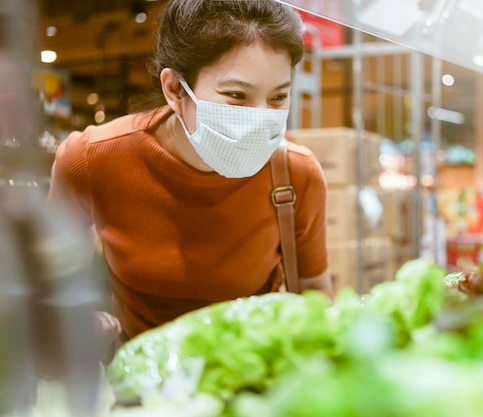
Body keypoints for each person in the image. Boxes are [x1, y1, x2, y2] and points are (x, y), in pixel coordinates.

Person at [48, 0, 333, 343]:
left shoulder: (295, 174)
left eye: (278, 97)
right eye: (237, 95)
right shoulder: (91, 159)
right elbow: (50, 277)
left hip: (252, 376)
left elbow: (315, 292)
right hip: (141, 381)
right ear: (174, 90)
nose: (260, 117)